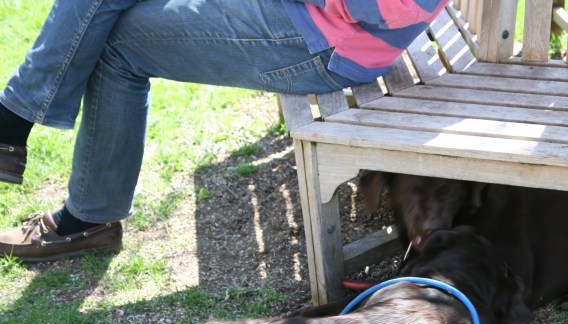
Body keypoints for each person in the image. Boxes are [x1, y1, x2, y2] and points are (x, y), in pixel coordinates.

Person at [0, 0, 449, 261]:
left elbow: (393, 6)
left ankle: (71, 196)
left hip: (329, 43)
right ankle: (16, 129)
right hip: (305, 18)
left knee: (119, 42)